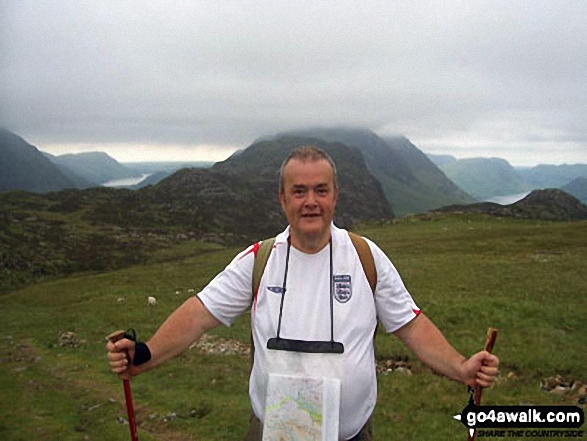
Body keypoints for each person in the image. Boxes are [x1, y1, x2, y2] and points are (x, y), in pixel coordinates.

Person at [106, 145, 499, 440]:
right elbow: (198, 314)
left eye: (320, 190)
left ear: (335, 195)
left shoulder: (365, 257)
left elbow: (411, 327)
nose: (310, 201)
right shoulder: (259, 260)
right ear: (282, 198)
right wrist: (146, 354)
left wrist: (462, 368)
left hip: (351, 435)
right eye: (298, 191)